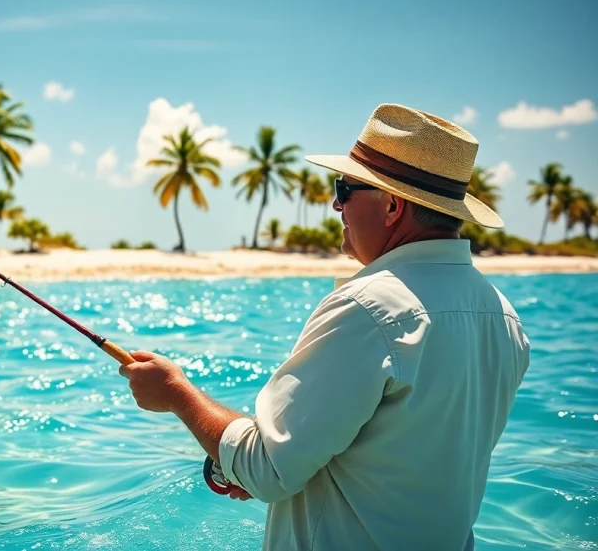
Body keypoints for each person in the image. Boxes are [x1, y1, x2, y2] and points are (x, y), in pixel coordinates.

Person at [119, 103, 531, 550]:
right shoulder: (504, 317)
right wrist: (261, 457)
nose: (336, 204)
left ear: (392, 206)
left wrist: (177, 393)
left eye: (345, 188)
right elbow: (395, 456)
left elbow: (267, 470)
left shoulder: (367, 307)